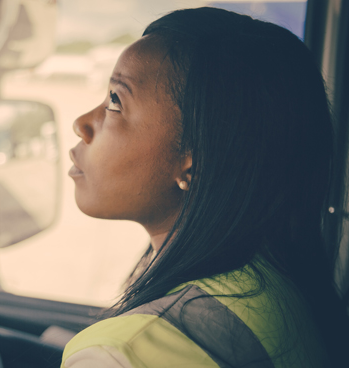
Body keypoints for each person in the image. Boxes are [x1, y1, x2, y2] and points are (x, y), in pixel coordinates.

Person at [64, 7, 348, 368]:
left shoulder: (121, 355)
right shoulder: (283, 290)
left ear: (194, 162)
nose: (81, 124)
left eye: (116, 102)